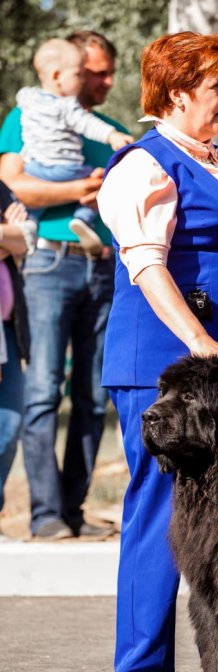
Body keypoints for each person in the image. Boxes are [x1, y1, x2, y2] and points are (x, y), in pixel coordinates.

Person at [97, 31, 218, 672]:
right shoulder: (141, 167)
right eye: (216, 86)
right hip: (164, 370)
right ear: (176, 92)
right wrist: (200, 341)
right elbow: (147, 267)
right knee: (160, 514)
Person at [0, 30, 129, 540]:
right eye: (95, 70)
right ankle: (46, 515)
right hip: (48, 265)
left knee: (93, 396)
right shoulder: (24, 118)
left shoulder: (109, 128)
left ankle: (73, 509)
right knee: (42, 393)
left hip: (102, 266)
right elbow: (16, 184)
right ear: (68, 70)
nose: (105, 80)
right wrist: (81, 189)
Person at [17, 38, 132, 254]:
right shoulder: (24, 116)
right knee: (92, 178)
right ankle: (83, 219)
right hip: (50, 258)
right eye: (97, 73)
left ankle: (28, 225)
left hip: (107, 261)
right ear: (58, 75)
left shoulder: (28, 102)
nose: (109, 82)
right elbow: (12, 186)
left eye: (111, 73)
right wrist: (89, 186)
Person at [0, 182, 31, 539]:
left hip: (8, 329)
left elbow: (28, 236)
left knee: (8, 427)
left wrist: (14, 238)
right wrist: (9, 238)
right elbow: (17, 239)